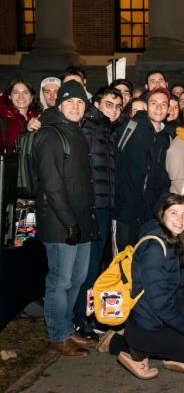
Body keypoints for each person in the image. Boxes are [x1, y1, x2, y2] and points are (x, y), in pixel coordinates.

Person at [119, 194, 184, 379]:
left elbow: (168, 291)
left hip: (159, 316)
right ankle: (135, 350)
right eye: (173, 213)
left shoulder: (170, 239)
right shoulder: (155, 249)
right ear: (162, 214)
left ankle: (175, 352)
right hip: (146, 326)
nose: (180, 220)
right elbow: (161, 306)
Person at [31, 80, 99, 356]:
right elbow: (51, 184)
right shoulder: (50, 134)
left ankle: (67, 328)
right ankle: (57, 334)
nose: (75, 106)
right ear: (59, 105)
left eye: (80, 102)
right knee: (60, 280)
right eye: (69, 102)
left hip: (79, 221)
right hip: (61, 223)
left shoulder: (75, 132)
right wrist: (69, 222)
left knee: (78, 277)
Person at [73, 87, 122, 336]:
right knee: (88, 266)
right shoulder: (89, 130)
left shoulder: (108, 130)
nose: (113, 110)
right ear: (96, 104)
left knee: (95, 265)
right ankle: (81, 319)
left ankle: (89, 316)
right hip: (93, 207)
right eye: (108, 104)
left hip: (105, 206)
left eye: (117, 106)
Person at [114, 87, 176, 249]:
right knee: (122, 261)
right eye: (154, 103)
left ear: (169, 109)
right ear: (146, 106)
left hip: (152, 214)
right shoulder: (130, 127)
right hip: (125, 210)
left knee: (146, 260)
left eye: (164, 104)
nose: (159, 108)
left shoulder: (169, 136)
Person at [0, 78, 40, 150]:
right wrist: (26, 128)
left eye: (25, 92)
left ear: (31, 97)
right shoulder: (2, 119)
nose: (21, 96)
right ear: (9, 96)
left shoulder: (39, 117)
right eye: (16, 92)